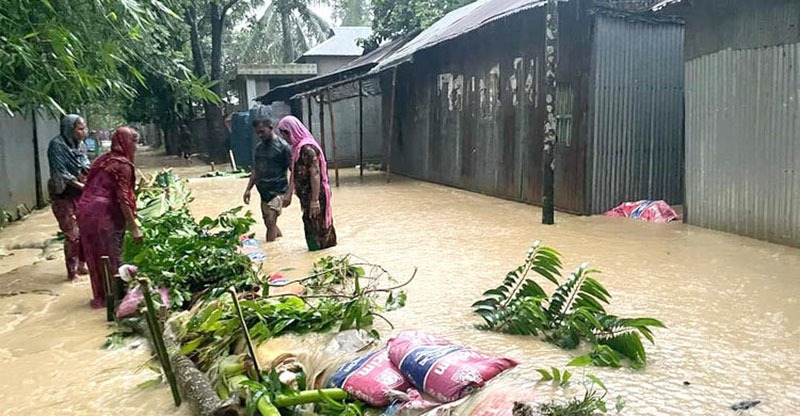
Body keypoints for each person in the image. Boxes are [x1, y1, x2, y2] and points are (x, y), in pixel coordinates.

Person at [77, 127, 143, 309]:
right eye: (135, 142)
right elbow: (122, 197)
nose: (136, 147)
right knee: (112, 254)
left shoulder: (102, 160)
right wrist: (134, 226)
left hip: (84, 210)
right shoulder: (122, 165)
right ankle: (115, 300)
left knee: (95, 255)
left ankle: (101, 296)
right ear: (127, 142)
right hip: (103, 213)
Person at [277, 116, 337, 251]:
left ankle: (322, 253)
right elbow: (295, 172)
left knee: (318, 225)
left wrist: (315, 200)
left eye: (284, 134)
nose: (284, 138)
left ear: (290, 132)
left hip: (316, 194)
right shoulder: (298, 149)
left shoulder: (307, 149)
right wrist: (289, 193)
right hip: (306, 195)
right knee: (310, 222)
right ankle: (316, 253)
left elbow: (315, 173)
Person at [47, 114, 90, 281]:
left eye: (84, 129)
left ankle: (82, 264)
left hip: (80, 194)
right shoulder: (56, 146)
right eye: (80, 129)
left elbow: (86, 166)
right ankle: (72, 273)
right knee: (72, 234)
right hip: (63, 195)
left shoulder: (81, 145)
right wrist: (83, 186)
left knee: (86, 229)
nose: (83, 132)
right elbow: (61, 173)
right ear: (69, 129)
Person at [242, 118, 292, 242]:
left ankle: (270, 254)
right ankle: (279, 242)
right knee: (269, 222)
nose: (260, 135)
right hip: (264, 192)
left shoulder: (284, 147)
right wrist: (248, 189)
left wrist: (289, 193)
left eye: (262, 132)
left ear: (271, 128)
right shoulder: (259, 148)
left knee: (270, 220)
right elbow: (256, 170)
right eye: (258, 132)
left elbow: (294, 171)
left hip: (278, 190)